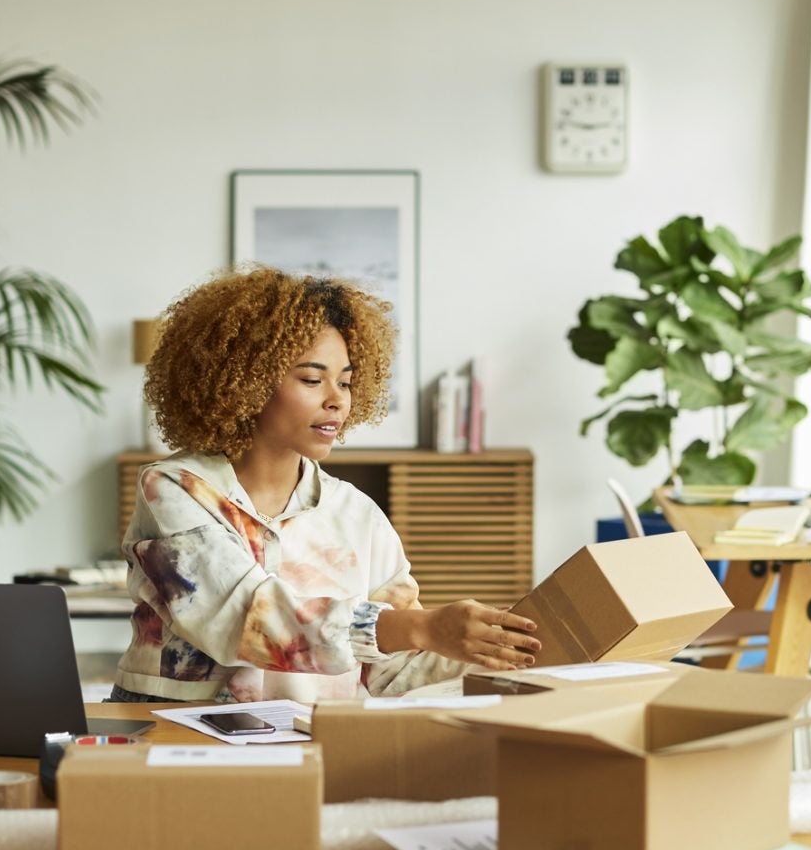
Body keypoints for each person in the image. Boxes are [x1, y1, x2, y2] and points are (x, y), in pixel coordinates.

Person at [109, 265, 540, 704]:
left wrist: (500, 648)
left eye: (347, 382)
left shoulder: (358, 515)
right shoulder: (175, 488)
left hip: (309, 741)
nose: (337, 399)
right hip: (176, 740)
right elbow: (244, 618)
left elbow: (393, 669)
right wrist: (424, 626)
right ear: (248, 382)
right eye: (312, 379)